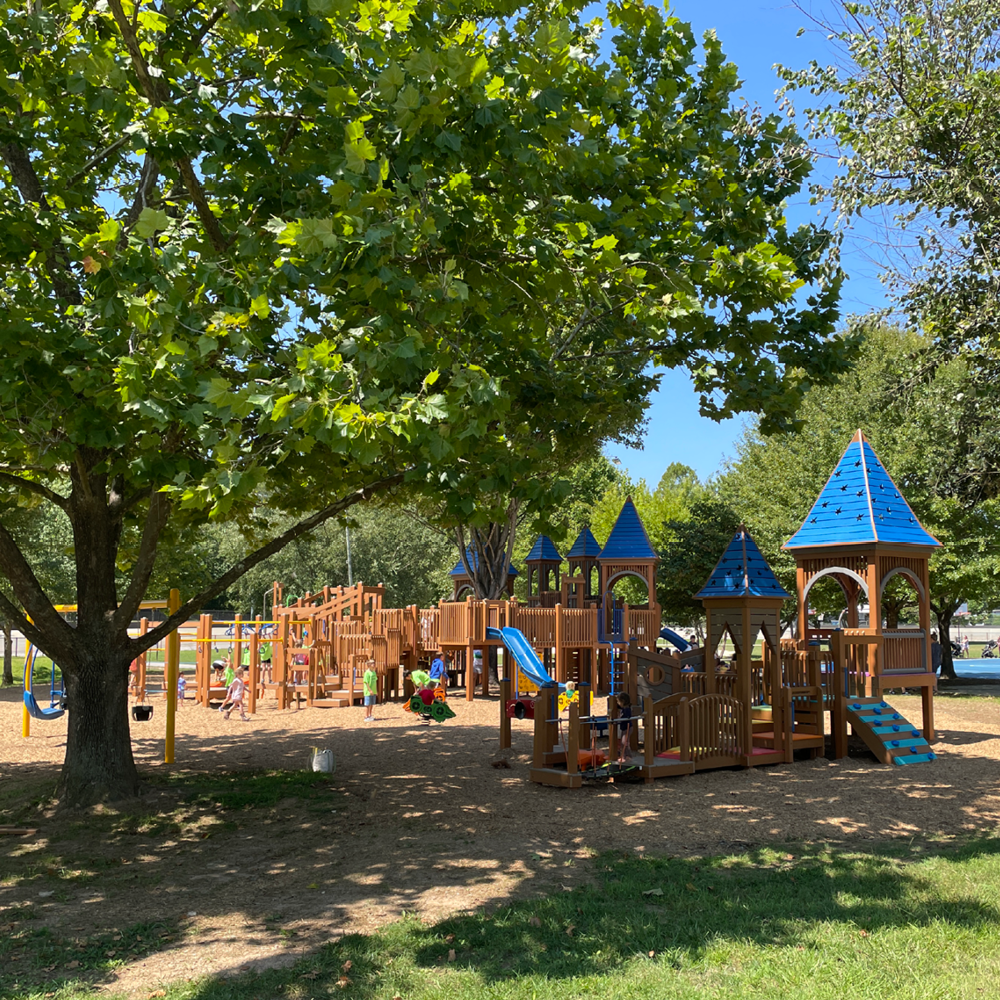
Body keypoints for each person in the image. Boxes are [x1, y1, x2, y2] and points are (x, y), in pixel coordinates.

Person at [615, 691, 633, 763]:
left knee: (624, 742)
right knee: (623, 742)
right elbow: (618, 706)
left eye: (619, 702)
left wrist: (619, 719)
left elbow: (626, 717)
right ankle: (626, 756)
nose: (618, 704)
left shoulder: (627, 709)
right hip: (624, 728)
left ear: (623, 701)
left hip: (627, 727)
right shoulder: (624, 708)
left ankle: (626, 757)